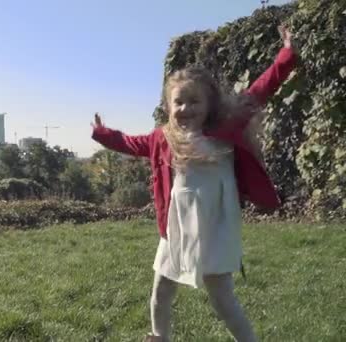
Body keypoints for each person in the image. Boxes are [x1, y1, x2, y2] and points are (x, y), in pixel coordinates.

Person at [91, 26, 297, 342]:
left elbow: (260, 89)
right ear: (169, 106)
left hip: (215, 227)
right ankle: (160, 337)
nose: (185, 108)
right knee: (160, 289)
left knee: (222, 299)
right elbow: (131, 143)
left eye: (194, 101)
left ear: (209, 104)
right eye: (178, 102)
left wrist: (286, 54)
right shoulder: (163, 138)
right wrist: (104, 134)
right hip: (175, 227)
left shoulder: (228, 126)